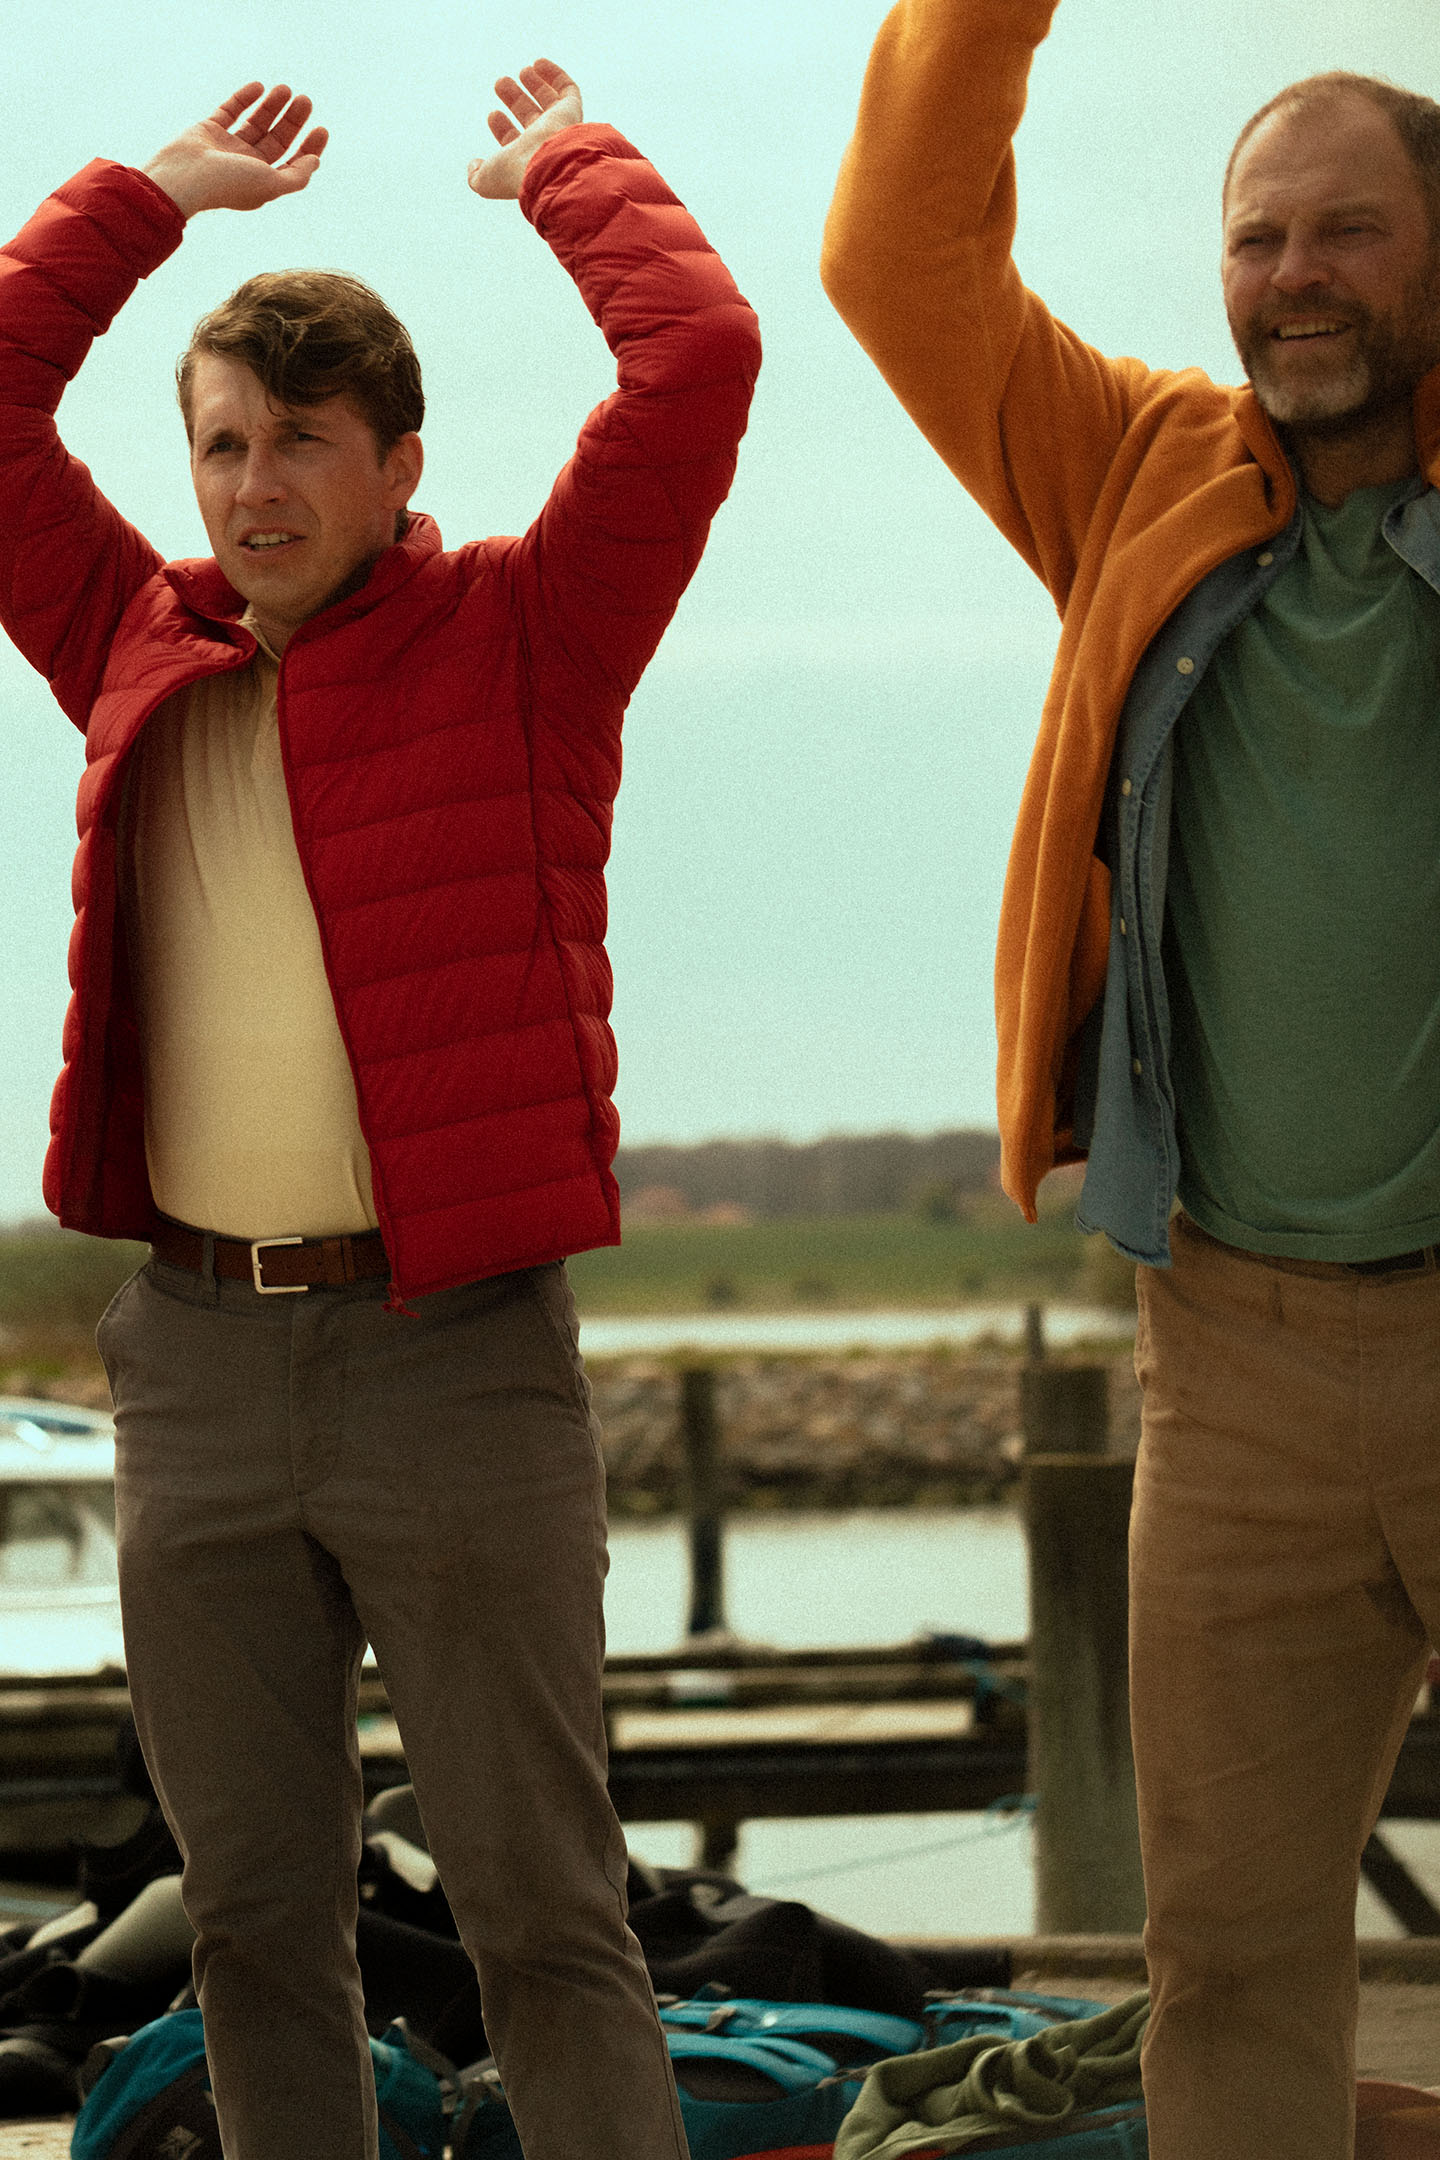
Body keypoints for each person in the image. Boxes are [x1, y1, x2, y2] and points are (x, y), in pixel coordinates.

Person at [0, 62, 759, 2160]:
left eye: (301, 439)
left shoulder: (533, 640)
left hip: (451, 1355)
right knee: (255, 1927)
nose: (254, 481)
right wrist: (149, 200)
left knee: (545, 1913)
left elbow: (700, 356)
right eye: (222, 441)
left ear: (398, 466)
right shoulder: (127, 644)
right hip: (195, 1360)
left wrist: (563, 173)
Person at [824, 8, 1440, 2149]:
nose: (1295, 276)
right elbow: (898, 256)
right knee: (1232, 1963)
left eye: (1349, 230)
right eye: (1258, 237)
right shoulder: (1140, 472)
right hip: (1234, 1350)